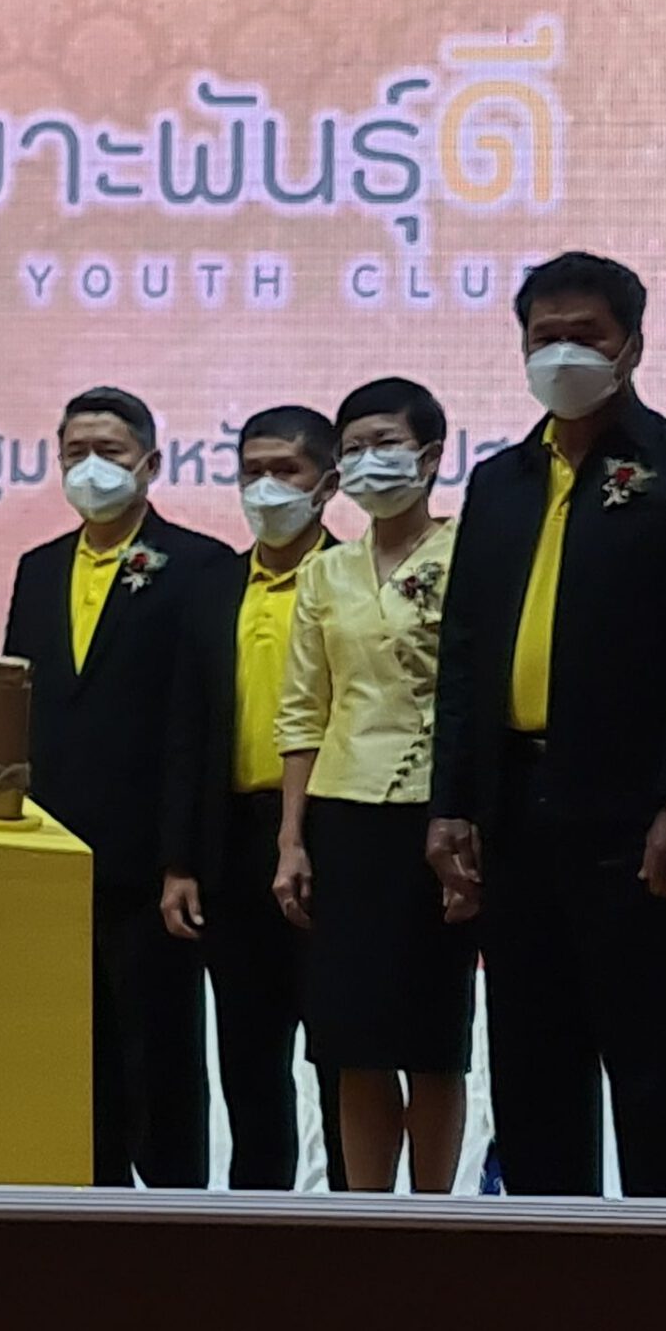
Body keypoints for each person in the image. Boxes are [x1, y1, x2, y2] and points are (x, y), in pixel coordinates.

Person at [428, 251, 666, 1199]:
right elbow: (463, 653)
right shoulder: (499, 481)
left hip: (633, 816)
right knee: (533, 1068)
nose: (563, 353)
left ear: (632, 346)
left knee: (657, 1071)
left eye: (586, 335)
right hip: (513, 813)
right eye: (546, 336)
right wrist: (451, 805)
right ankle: (547, 1268)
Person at [5, 385, 232, 1188]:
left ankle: (174, 1213)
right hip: (56, 855)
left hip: (152, 863)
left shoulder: (199, 565)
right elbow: (23, 708)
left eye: (109, 450)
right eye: (76, 452)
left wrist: (182, 858)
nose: (91, 467)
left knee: (160, 1053)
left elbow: (196, 722)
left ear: (151, 462)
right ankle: (91, 1205)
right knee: (77, 1052)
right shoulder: (37, 569)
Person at [273, 378, 477, 1194]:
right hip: (343, 815)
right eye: (352, 448)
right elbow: (302, 711)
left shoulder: (471, 554)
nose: (368, 461)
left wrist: (468, 818)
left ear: (429, 457)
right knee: (351, 1037)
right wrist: (291, 839)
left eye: (384, 443)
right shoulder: (326, 573)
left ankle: (434, 1217)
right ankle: (366, 1214)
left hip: (438, 815)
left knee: (431, 1037)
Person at [160, 405, 350, 1191]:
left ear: (327, 483)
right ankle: (256, 1214)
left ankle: (354, 1210)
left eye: (286, 471)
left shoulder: (358, 578)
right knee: (247, 1050)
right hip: (232, 839)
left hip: (333, 837)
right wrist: (179, 861)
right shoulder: (210, 587)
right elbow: (183, 730)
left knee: (342, 1050)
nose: (266, 488)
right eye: (252, 472)